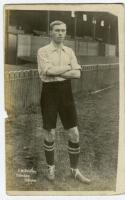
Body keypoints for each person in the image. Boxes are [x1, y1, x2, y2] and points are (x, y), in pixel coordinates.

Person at [37, 20, 90, 184]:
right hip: (49, 92)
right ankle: (50, 167)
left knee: (74, 133)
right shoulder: (43, 51)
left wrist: (60, 71)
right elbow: (48, 72)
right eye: (57, 30)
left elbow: (78, 75)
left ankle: (74, 170)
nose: (60, 33)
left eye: (63, 30)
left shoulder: (69, 51)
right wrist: (69, 68)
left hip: (66, 93)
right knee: (50, 132)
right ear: (50, 32)